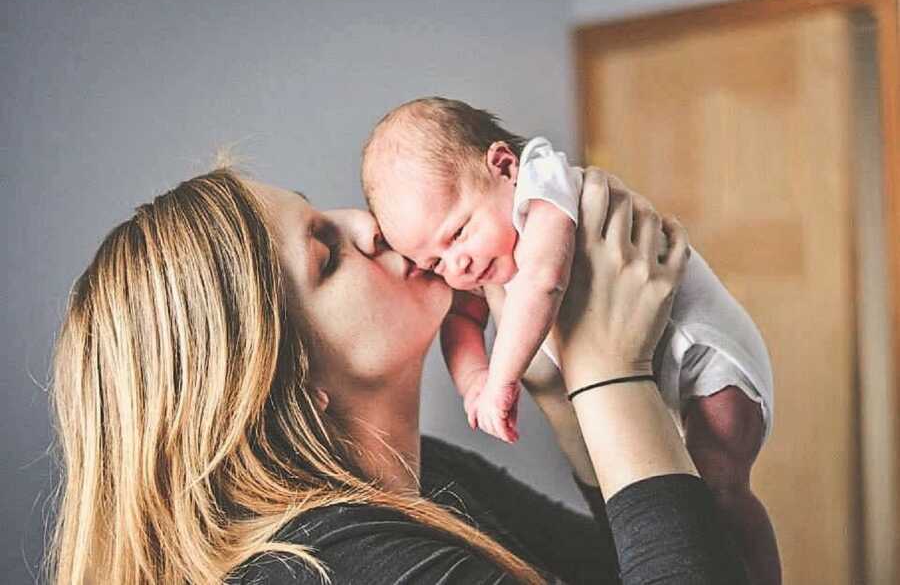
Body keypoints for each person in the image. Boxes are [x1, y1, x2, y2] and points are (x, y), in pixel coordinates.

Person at [48, 164, 749, 584]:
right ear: (279, 380)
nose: (367, 223)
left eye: (326, 213)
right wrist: (611, 377)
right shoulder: (326, 568)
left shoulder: (426, 482)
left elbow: (639, 569)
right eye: (326, 253)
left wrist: (566, 398)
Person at [361, 97, 780, 584]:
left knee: (722, 486)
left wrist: (500, 379)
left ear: (503, 165)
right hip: (646, 377)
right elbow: (462, 319)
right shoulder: (479, 253)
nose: (458, 267)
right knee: (697, 499)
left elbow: (545, 280)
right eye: (434, 263)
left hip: (706, 360)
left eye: (457, 234)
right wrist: (472, 379)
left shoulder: (542, 188)